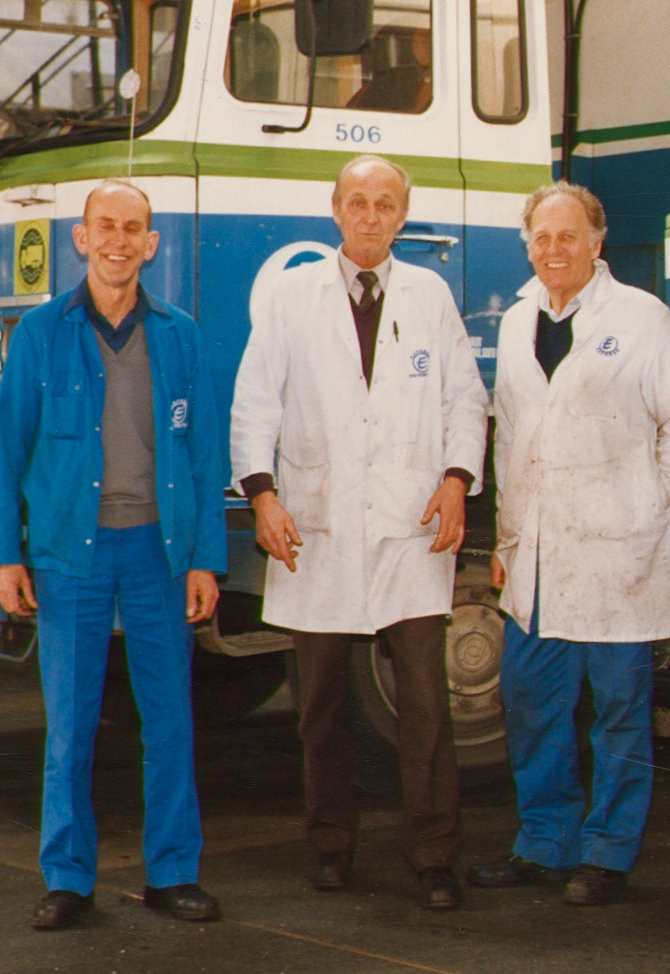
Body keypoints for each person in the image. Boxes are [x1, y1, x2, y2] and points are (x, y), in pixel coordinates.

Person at [230, 154, 488, 911]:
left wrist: (455, 478)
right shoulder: (290, 296)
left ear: (402, 216)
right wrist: (263, 496)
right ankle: (331, 843)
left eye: (385, 204)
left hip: (410, 532)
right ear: (335, 210)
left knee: (426, 707)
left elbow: (466, 400)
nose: (370, 215)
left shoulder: (430, 294)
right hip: (317, 527)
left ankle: (434, 853)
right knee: (321, 709)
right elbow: (254, 401)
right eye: (357, 202)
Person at [0, 179, 227, 931]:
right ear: (81, 238)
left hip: (158, 551)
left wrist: (204, 559)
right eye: (105, 227)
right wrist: (6, 554)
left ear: (151, 245)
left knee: (169, 719)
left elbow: (205, 452)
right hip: (69, 556)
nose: (119, 240)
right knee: (72, 724)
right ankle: (67, 877)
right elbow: (7, 450)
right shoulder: (39, 333)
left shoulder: (181, 334)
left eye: (134, 229)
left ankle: (172, 872)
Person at [470, 181, 670, 906]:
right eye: (540, 238)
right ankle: (544, 842)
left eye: (568, 236)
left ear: (598, 242)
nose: (553, 250)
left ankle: (606, 851)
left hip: (617, 555)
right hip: (537, 555)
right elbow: (509, 437)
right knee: (531, 700)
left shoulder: (642, 318)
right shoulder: (515, 323)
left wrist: (645, 501)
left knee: (618, 712)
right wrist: (509, 535)